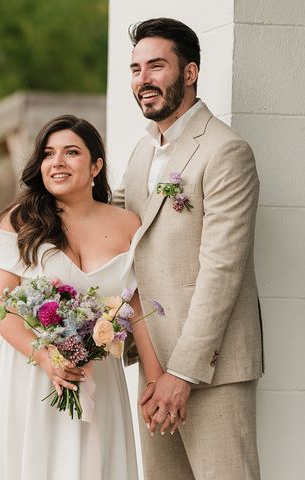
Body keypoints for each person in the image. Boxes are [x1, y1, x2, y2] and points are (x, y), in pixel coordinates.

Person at [0, 115, 165, 479]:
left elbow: (136, 308)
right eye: (48, 153)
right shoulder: (19, 221)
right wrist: (46, 359)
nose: (57, 161)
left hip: (98, 378)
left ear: (96, 166)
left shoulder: (128, 225)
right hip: (25, 372)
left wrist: (155, 381)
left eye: (71, 152)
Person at [113, 17, 263, 479]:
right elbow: (113, 225)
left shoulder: (226, 152)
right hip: (152, 364)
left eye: (156, 67)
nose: (143, 80)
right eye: (136, 69)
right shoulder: (142, 152)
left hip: (209, 368)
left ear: (190, 72)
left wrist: (183, 374)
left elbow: (222, 271)